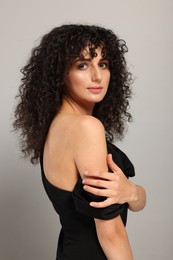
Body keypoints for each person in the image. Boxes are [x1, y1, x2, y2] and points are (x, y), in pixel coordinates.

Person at [13, 24, 146, 259]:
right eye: (82, 65)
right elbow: (111, 233)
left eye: (103, 64)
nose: (97, 76)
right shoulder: (86, 128)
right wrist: (133, 194)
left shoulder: (57, 126)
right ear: (59, 73)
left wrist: (132, 192)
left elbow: (136, 202)